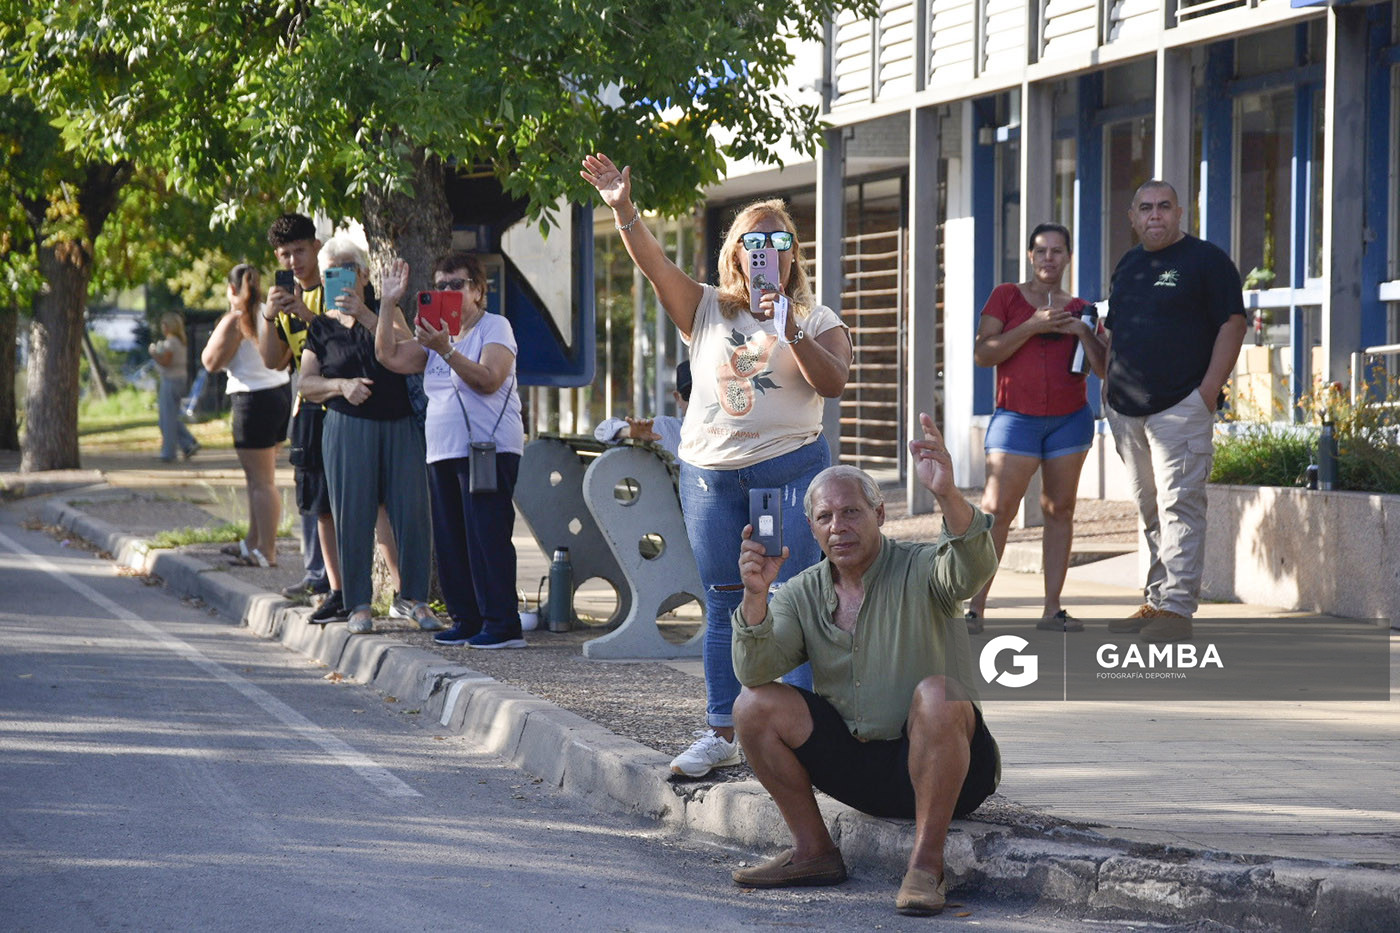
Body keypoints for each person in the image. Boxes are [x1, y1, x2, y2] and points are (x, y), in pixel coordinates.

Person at [582, 152, 854, 778]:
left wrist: (789, 329)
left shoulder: (815, 317)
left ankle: (805, 736)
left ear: (793, 254)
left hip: (788, 471)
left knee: (791, 597)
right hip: (712, 477)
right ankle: (721, 731)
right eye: (752, 241)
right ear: (735, 252)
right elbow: (653, 262)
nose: (766, 250)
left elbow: (833, 382)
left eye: (778, 240)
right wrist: (623, 208)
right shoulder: (706, 308)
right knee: (726, 598)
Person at [728, 413, 1000, 916]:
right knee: (753, 705)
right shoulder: (801, 590)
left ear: (880, 513)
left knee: (939, 694)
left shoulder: (920, 566)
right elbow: (755, 669)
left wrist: (947, 496)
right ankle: (814, 851)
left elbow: (971, 570)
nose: (839, 527)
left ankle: (925, 866)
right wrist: (756, 599)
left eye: (851, 513)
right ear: (811, 527)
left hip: (949, 767)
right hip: (860, 767)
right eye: (826, 518)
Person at [1103, 181, 1246, 644]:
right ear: (1132, 216)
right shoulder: (1128, 266)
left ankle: (1178, 610)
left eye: (1164, 206)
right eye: (1145, 208)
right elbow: (1120, 333)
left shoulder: (1206, 261)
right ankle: (1158, 599)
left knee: (1180, 505)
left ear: (1180, 212)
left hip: (1180, 406)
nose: (1155, 215)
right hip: (1127, 411)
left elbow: (1233, 323)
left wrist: (1207, 391)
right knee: (1150, 510)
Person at [370, 251, 528, 649]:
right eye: (439, 285)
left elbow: (490, 379)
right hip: (442, 450)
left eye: (455, 284)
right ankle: (466, 618)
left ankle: (503, 623)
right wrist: (388, 303)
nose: (447, 291)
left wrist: (447, 350)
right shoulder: (436, 334)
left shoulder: (495, 327)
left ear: (478, 290)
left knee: (485, 534)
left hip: (489, 447)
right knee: (451, 538)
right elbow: (388, 356)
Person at [296, 234, 444, 636]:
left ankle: (413, 598)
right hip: (347, 427)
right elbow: (305, 383)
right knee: (352, 514)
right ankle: (358, 603)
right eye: (329, 272)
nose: (336, 278)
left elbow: (405, 347)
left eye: (345, 270)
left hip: (399, 424)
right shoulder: (322, 327)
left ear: (362, 274)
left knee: (413, 513)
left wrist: (364, 313)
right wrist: (340, 386)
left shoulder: (383, 311)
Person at [967, 223, 1107, 633]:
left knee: (1059, 509)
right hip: (1015, 419)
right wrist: (1032, 325)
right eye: (1042, 250)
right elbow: (983, 353)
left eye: (1057, 251)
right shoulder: (1006, 296)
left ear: (1067, 257)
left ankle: (1051, 609)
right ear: (1030, 256)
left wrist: (1083, 329)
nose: (1049, 257)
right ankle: (975, 608)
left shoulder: (1082, 308)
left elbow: (1102, 368)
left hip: (1069, 419)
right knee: (996, 512)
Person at [200, 265, 293, 568]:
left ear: (231, 289)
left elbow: (210, 362)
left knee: (262, 481)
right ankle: (253, 541)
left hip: (252, 400)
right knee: (258, 478)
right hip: (278, 395)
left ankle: (267, 550)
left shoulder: (236, 319)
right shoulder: (268, 311)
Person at [592, 359, 691, 457]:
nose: (696, 402)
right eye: (689, 394)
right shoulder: (665, 428)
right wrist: (627, 432)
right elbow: (601, 431)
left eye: (705, 396)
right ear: (677, 398)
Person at [148, 311, 200, 462]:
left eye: (164, 324)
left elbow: (165, 361)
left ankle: (168, 452)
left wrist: (153, 353)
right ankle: (189, 443)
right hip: (178, 379)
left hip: (171, 380)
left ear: (169, 326)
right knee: (167, 417)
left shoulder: (171, 342)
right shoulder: (179, 341)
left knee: (167, 418)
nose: (162, 327)